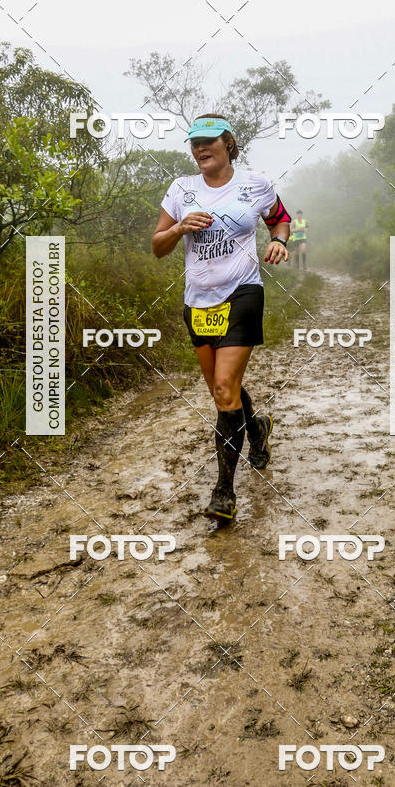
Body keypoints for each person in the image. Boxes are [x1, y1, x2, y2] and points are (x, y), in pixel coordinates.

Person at [152, 114, 292, 522]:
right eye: (194, 143)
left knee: (225, 386)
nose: (199, 149)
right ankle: (257, 428)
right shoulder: (181, 189)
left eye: (208, 141)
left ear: (229, 143)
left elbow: (281, 218)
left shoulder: (254, 184)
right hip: (198, 302)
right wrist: (178, 228)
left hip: (243, 293)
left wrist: (280, 241)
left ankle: (224, 493)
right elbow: (159, 247)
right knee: (222, 389)